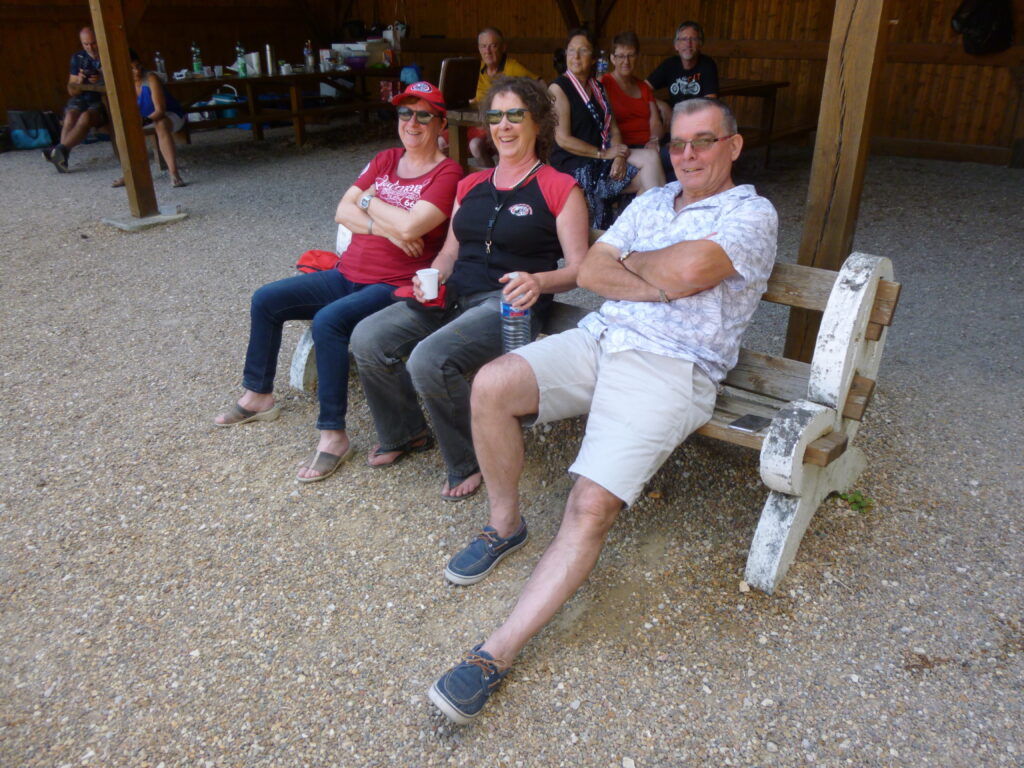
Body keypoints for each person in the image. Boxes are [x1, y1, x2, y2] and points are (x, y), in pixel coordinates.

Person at [428, 98, 778, 724]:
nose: (688, 155)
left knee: (591, 502)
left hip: (673, 365)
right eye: (678, 144)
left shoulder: (750, 213)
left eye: (704, 141)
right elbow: (589, 267)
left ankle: (494, 654)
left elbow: (696, 265)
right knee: (492, 384)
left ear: (734, 145)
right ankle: (505, 525)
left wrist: (638, 268)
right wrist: (659, 277)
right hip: (601, 338)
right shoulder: (649, 201)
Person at [350, 76, 588, 501]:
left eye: (516, 115)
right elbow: (448, 252)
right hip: (454, 295)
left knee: (429, 360)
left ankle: (470, 458)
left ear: (537, 122)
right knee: (367, 338)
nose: (505, 125)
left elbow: (580, 269)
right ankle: (406, 433)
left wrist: (539, 281)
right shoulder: (471, 185)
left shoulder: (558, 187)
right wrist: (434, 277)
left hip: (510, 305)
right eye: (496, 117)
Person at [214, 82, 463, 484]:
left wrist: (369, 204)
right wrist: (387, 228)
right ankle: (259, 394)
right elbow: (341, 210)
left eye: (423, 115)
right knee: (266, 300)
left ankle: (333, 435)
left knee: (329, 322)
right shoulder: (384, 159)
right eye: (404, 113)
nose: (411, 123)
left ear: (441, 124)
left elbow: (414, 224)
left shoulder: (447, 172)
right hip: (345, 273)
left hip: (392, 284)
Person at [548, 28, 663, 229]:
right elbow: (563, 139)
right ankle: (643, 230)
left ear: (593, 58)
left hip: (600, 159)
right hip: (576, 165)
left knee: (652, 159)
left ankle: (637, 230)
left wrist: (618, 156)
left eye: (583, 50)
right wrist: (603, 154)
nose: (576, 56)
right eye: (571, 50)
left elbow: (614, 128)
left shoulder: (598, 87)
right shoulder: (558, 89)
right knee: (648, 178)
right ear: (565, 54)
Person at [646, 21, 720, 176]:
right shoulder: (670, 65)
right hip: (675, 129)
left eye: (693, 39)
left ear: (700, 44)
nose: (688, 43)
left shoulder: (707, 65)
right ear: (676, 45)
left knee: (669, 159)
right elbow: (642, 89)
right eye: (683, 39)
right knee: (661, 158)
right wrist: (660, 104)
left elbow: (710, 105)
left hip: (699, 129)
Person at [111, 50, 188, 188]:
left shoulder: (150, 78)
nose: (137, 72)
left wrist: (143, 121)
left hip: (171, 115)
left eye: (138, 67)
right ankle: (130, 174)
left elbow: (160, 110)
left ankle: (174, 173)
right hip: (144, 118)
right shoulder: (122, 83)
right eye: (131, 69)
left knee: (161, 124)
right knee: (121, 132)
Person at [468, 28, 539, 168]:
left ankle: (497, 178)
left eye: (493, 46)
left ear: (503, 47)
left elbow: (541, 86)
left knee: (476, 145)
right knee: (441, 142)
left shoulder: (513, 67)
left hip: (503, 125)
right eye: (483, 46)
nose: (487, 51)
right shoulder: (476, 69)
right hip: (476, 124)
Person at [43, 27, 108, 173]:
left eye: (93, 43)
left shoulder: (107, 55)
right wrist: (80, 80)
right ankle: (61, 155)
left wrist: (101, 78)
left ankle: (59, 150)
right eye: (86, 44)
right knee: (70, 115)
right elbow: (72, 91)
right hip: (82, 97)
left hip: (102, 100)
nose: (90, 47)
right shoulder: (78, 58)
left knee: (86, 117)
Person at [600, 31, 662, 150]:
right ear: (613, 58)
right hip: (622, 148)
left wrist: (654, 140)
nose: (626, 61)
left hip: (648, 146)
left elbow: (656, 122)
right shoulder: (604, 83)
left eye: (631, 55)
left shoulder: (643, 87)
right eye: (621, 56)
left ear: (637, 57)